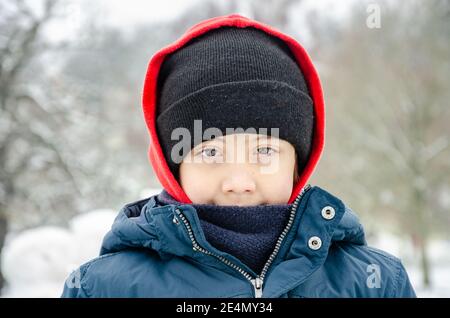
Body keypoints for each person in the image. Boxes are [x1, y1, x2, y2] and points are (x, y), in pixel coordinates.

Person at [61, 14, 416, 298]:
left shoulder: (377, 283)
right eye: (210, 151)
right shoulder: (102, 289)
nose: (239, 183)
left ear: (298, 163)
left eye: (264, 150)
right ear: (173, 167)